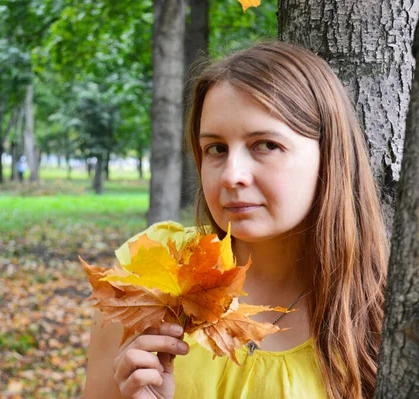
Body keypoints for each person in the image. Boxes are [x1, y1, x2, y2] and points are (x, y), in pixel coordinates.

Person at [82, 41, 388, 399]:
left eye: (266, 145)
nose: (232, 175)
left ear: (330, 154)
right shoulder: (151, 269)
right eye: (216, 149)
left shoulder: (381, 308)